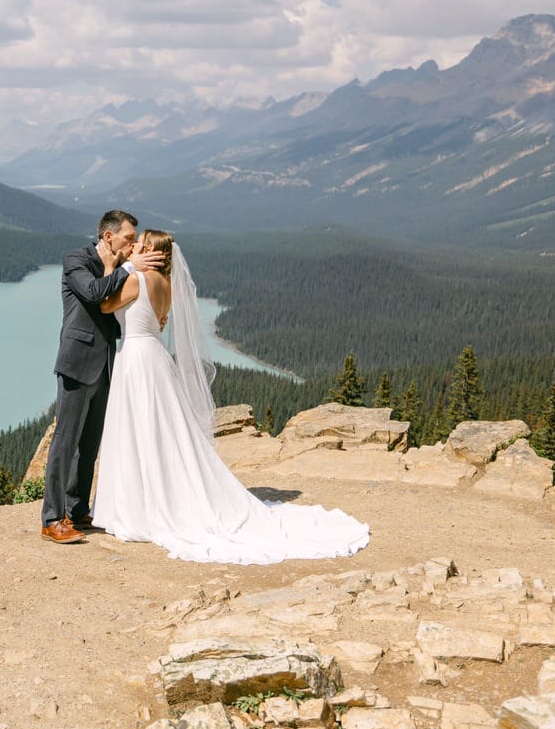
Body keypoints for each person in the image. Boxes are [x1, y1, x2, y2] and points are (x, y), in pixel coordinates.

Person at [93, 229, 371, 563]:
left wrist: (112, 266)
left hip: (137, 360)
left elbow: (106, 304)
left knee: (139, 431)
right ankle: (158, 496)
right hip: (155, 359)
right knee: (162, 431)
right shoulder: (166, 285)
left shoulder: (136, 279)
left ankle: (139, 504)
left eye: (140, 243)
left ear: (150, 251)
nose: (134, 245)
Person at [39, 210, 163, 543]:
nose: (134, 244)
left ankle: (77, 511)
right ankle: (51, 519)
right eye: (129, 239)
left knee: (89, 445)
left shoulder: (121, 269)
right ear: (109, 237)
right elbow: (94, 294)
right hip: (77, 363)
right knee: (65, 442)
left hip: (108, 365)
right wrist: (127, 268)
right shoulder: (76, 260)